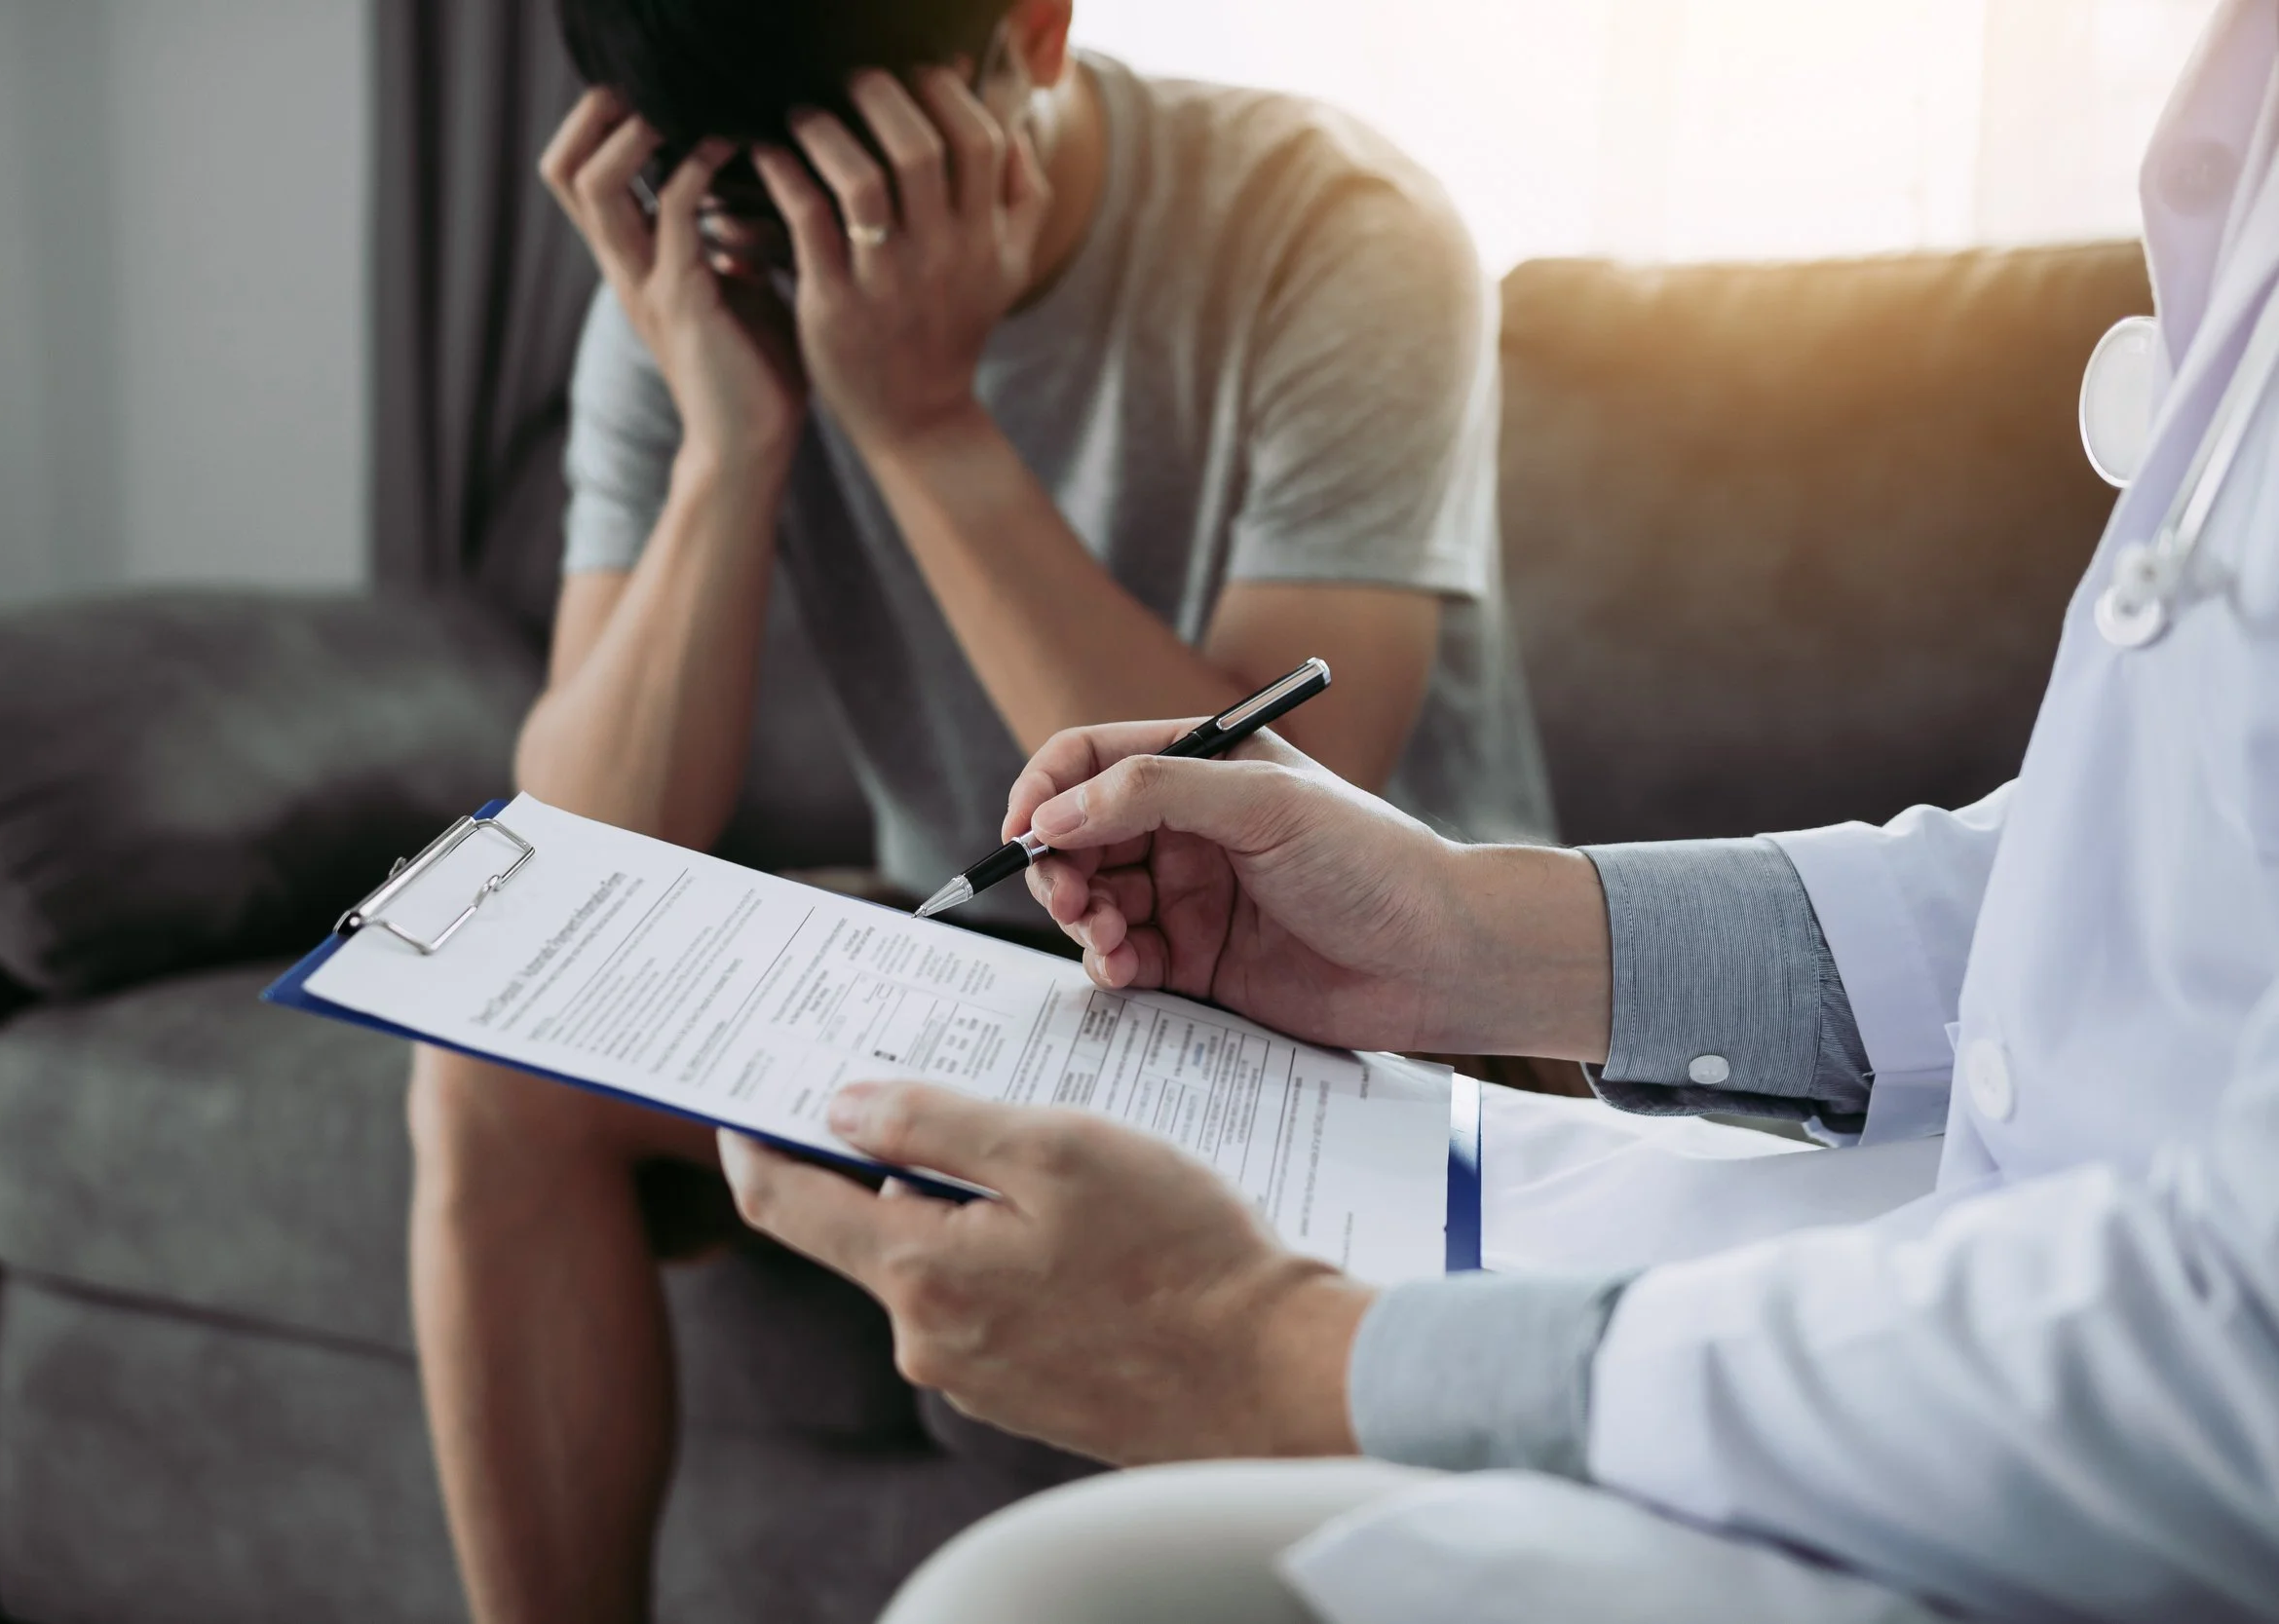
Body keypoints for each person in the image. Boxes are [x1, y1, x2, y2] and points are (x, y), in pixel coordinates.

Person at [717, 4, 2279, 1617]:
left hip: (2118, 1426)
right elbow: (2120, 879)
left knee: (1039, 1604)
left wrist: (1281, 1354)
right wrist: (1471, 930)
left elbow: (2238, 1352)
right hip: (1999, 1265)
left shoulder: (1321, 219)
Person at [404, 0, 1553, 1617]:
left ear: (1033, 32)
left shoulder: (1337, 229)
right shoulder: (705, 280)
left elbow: (1282, 813)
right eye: (749, 210)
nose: (805, 259)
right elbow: (580, 864)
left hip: (1365, 999)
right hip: (984, 957)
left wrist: (921, 421)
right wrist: (730, 446)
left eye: (850, 192)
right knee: (487, 1069)